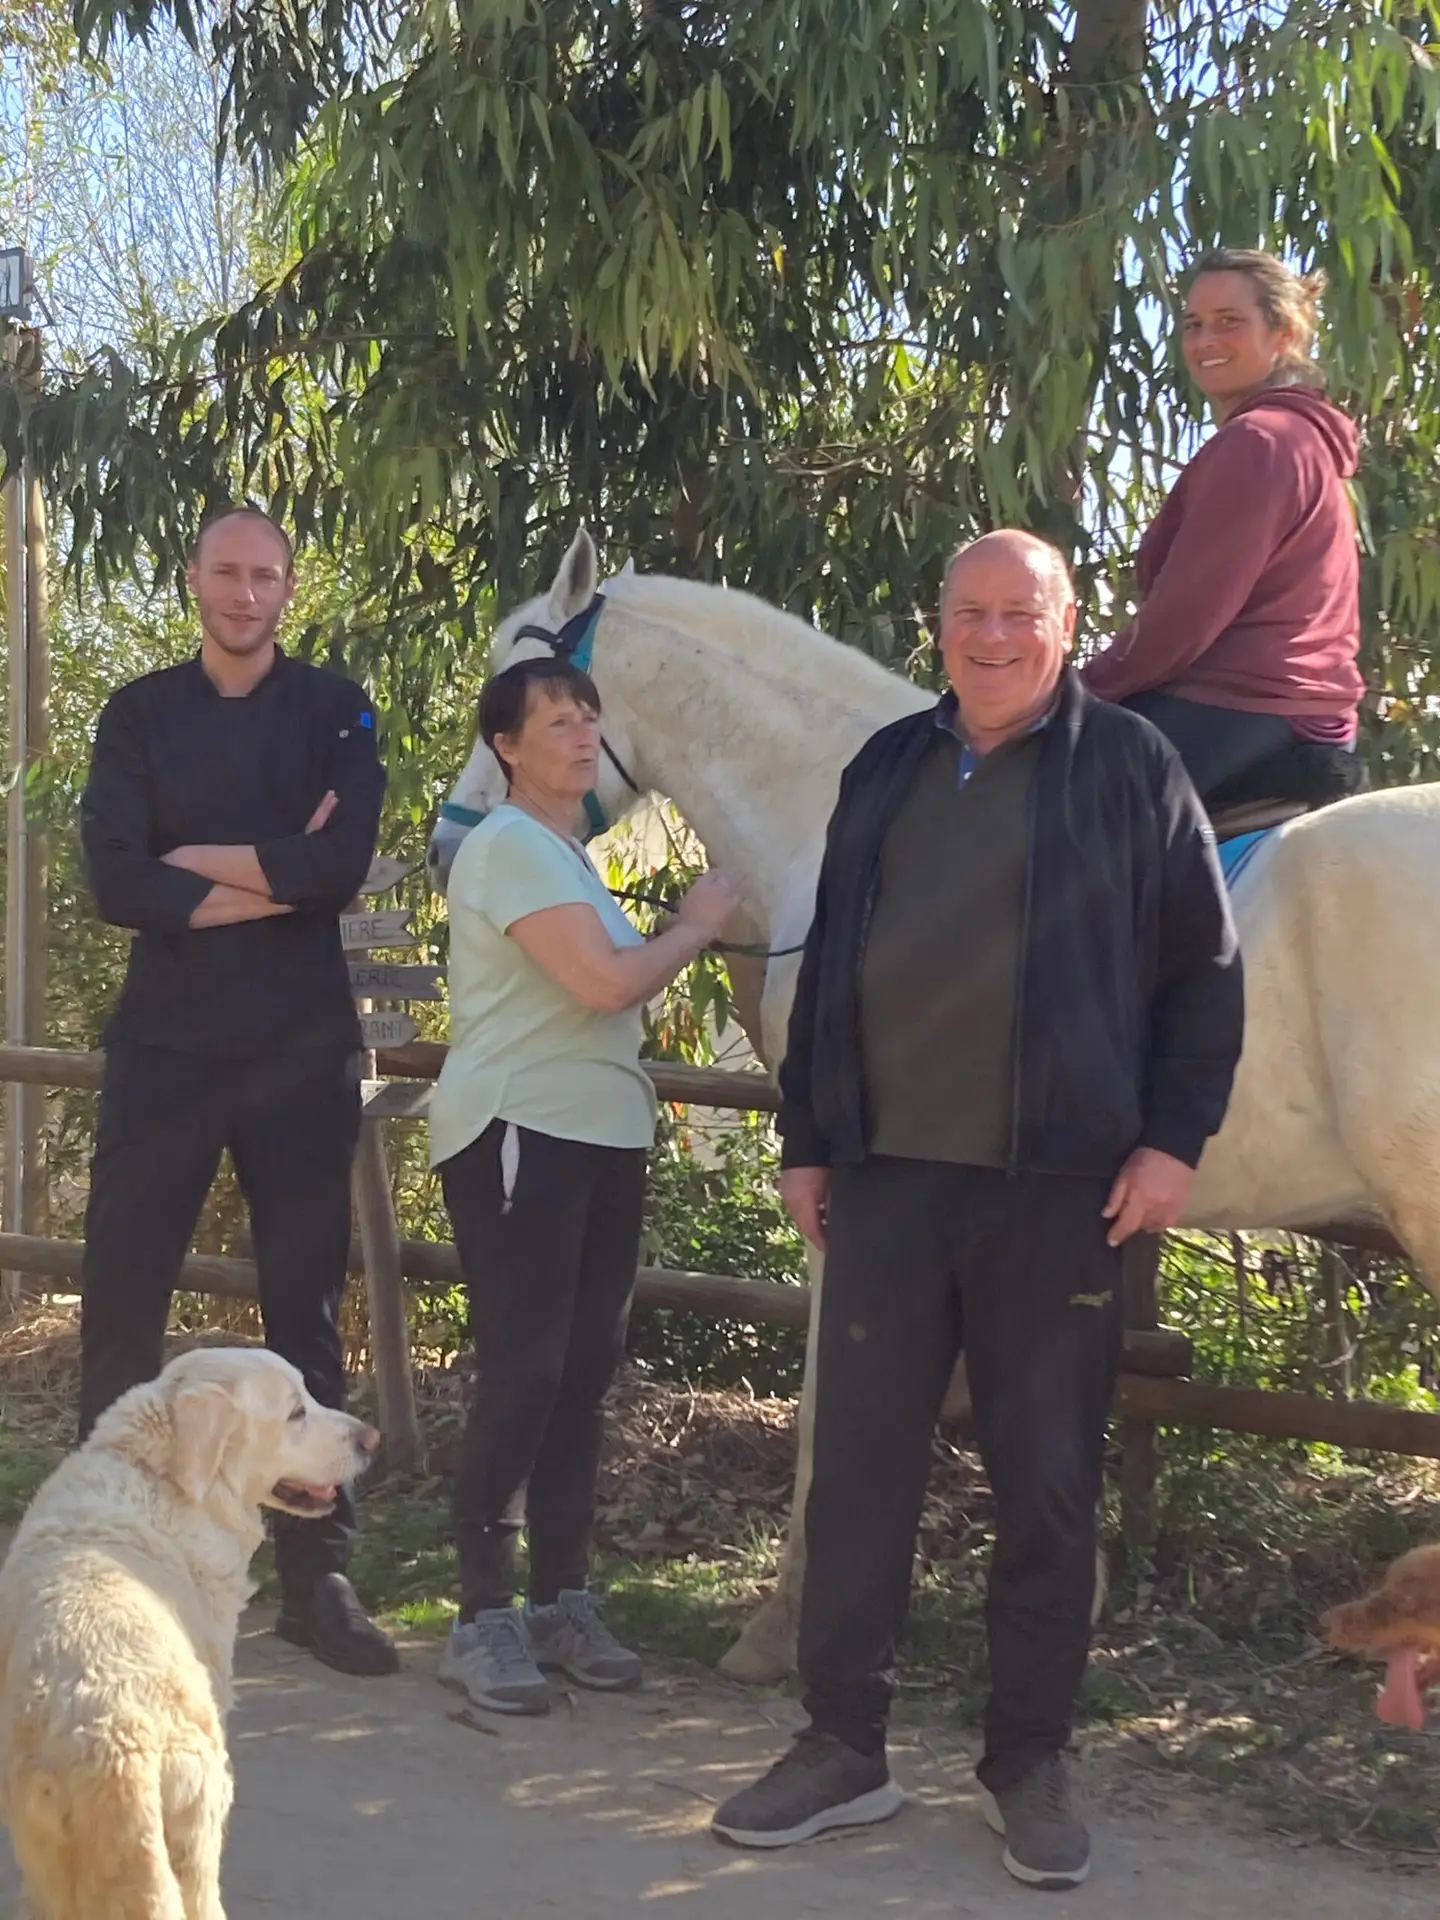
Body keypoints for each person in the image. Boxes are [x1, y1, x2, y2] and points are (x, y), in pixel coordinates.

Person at [710, 531, 1243, 1890]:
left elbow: (1204, 969)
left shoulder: (1129, 768)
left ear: (1067, 623)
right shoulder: (888, 765)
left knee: (1047, 1487)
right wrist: (810, 1139)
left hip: (1057, 1194)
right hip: (886, 1182)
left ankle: (1029, 1761)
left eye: (1019, 613)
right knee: (857, 1480)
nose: (991, 637)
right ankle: (844, 1745)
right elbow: (833, 962)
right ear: (938, 623)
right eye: (969, 613)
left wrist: (1172, 1143)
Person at [79, 502, 397, 1678]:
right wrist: (277, 872)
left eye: (266, 574)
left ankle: (319, 1583)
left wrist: (191, 861)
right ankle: (109, 1562)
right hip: (165, 1050)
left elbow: (339, 866)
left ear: (288, 587)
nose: (246, 592)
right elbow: (116, 882)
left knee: (305, 1316)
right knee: (123, 1305)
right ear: (193, 579)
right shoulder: (139, 713)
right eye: (228, 571)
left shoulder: (336, 709)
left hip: (301, 1051)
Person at [431, 654, 741, 1716]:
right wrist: (695, 925)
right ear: (506, 747)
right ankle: (480, 1616)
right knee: (525, 1370)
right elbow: (605, 983)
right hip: (523, 1128)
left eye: (589, 717)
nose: (581, 734)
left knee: (580, 1374)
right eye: (556, 720)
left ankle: (561, 1599)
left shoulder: (571, 859)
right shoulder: (509, 846)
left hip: (602, 1134)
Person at [1082, 249, 1364, 801]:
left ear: (1283, 333)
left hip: (1242, 702)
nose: (1205, 340)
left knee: (1037, 801)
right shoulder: (1302, 440)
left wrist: (1077, 691)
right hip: (1302, 708)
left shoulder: (1259, 442)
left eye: (1229, 321)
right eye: (1193, 325)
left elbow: (1184, 618)